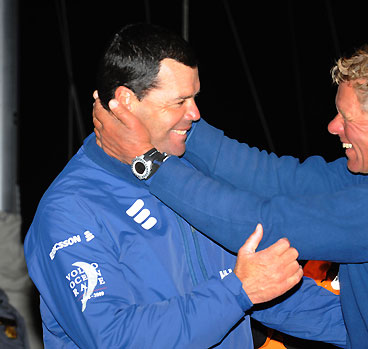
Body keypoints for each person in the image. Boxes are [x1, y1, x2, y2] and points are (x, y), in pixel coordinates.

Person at [94, 35, 368, 347]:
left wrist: (146, 161)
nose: (332, 127)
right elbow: (276, 178)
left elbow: (262, 226)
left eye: (347, 118)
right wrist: (176, 115)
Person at [24, 23, 347, 348]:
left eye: (195, 98)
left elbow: (272, 289)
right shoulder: (69, 209)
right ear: (125, 101)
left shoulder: (185, 176)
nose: (195, 114)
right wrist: (237, 291)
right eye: (179, 102)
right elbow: (115, 338)